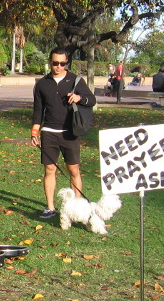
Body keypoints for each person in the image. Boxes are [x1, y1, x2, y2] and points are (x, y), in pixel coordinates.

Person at [31, 47, 96, 219]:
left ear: (67, 63)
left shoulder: (75, 81)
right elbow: (38, 110)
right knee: (50, 169)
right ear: (50, 62)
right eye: (55, 63)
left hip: (70, 132)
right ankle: (50, 208)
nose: (58, 66)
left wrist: (79, 98)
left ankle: (77, 207)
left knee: (73, 170)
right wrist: (34, 132)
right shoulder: (42, 84)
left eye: (62, 63)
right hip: (49, 132)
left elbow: (92, 100)